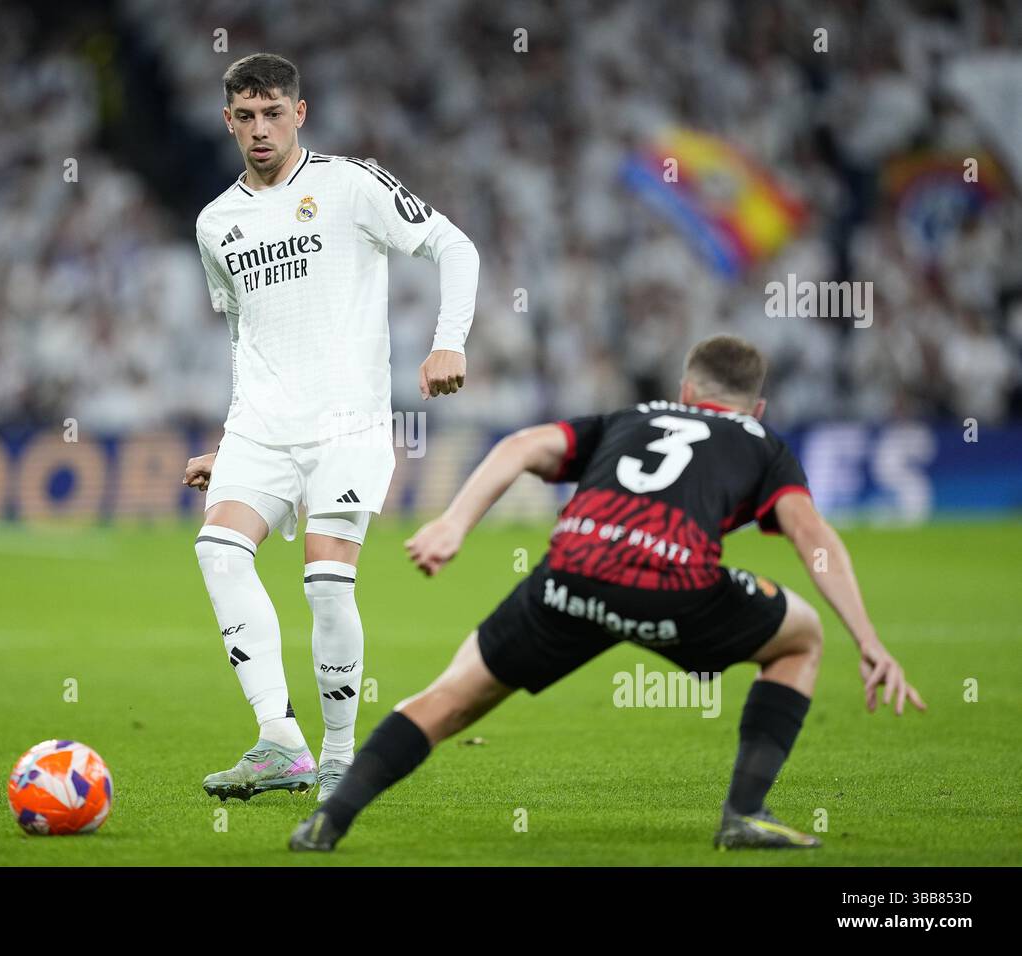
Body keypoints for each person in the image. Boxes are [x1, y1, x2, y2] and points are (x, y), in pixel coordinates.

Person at [290, 334, 925, 850]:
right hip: (677, 589)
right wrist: (868, 640)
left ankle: (331, 819)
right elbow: (810, 535)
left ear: (685, 391)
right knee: (802, 637)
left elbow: (521, 445)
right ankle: (745, 814)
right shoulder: (764, 444)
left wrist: (454, 523)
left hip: (572, 575)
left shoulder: (630, 418)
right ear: (754, 409)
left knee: (450, 699)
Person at [186, 53, 480, 802]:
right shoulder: (216, 223)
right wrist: (229, 440)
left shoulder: (351, 184)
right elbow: (243, 339)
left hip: (345, 423)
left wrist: (450, 339)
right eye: (245, 116)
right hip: (260, 427)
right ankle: (280, 740)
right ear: (228, 121)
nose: (260, 129)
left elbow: (455, 245)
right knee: (219, 554)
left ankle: (342, 757)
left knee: (324, 585)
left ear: (299, 113)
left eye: (273, 113)